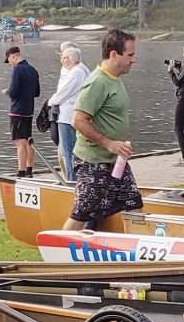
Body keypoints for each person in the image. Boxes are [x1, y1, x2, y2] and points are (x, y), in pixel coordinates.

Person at [65, 28, 141, 232]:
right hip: (93, 162)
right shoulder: (97, 82)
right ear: (114, 54)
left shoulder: (115, 80)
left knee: (134, 205)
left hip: (116, 162)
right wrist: (109, 143)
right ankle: (59, 251)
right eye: (130, 55)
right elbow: (78, 120)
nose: (133, 60)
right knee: (81, 212)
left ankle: (137, 256)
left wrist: (117, 147)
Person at [46, 42, 90, 181]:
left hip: (67, 117)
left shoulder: (76, 72)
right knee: (73, 150)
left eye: (64, 57)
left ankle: (72, 179)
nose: (61, 60)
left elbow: (63, 93)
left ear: (70, 59)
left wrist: (50, 102)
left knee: (67, 151)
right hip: (76, 114)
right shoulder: (82, 69)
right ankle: (77, 178)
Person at [5, 43, 42, 177]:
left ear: (13, 57)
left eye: (9, 61)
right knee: (28, 139)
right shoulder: (33, 70)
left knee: (20, 141)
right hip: (29, 110)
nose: (10, 64)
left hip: (17, 110)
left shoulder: (17, 70)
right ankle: (29, 169)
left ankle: (21, 172)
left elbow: (13, 92)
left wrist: (7, 91)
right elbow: (37, 92)